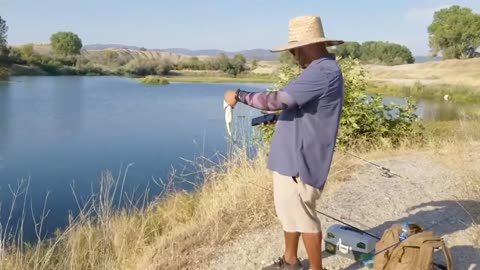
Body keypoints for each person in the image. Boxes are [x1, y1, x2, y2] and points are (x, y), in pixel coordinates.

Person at [224, 15, 345, 270]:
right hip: (290, 159)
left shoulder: (322, 71)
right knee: (290, 213)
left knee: (304, 217)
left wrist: (238, 94)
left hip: (298, 163)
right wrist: (283, 119)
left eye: (293, 50)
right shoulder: (322, 70)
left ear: (306, 46)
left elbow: (279, 99)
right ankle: (290, 260)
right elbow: (304, 109)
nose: (293, 57)